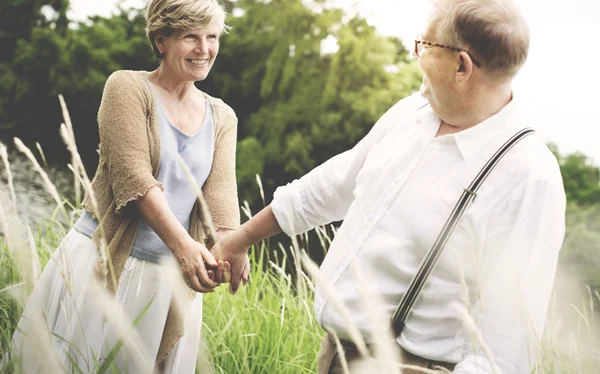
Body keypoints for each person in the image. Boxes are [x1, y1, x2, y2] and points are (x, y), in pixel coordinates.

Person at [211, 0, 566, 372]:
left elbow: (507, 346)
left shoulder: (529, 176)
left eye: (425, 45)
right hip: (337, 355)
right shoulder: (412, 113)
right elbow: (334, 185)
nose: (416, 55)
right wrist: (238, 240)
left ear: (462, 65)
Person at [11, 0, 247, 372]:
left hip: (170, 277)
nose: (204, 49)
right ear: (161, 40)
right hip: (105, 265)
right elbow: (134, 182)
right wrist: (185, 247)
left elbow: (219, 196)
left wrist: (233, 245)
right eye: (191, 37)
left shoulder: (223, 117)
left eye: (212, 37)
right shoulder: (126, 87)